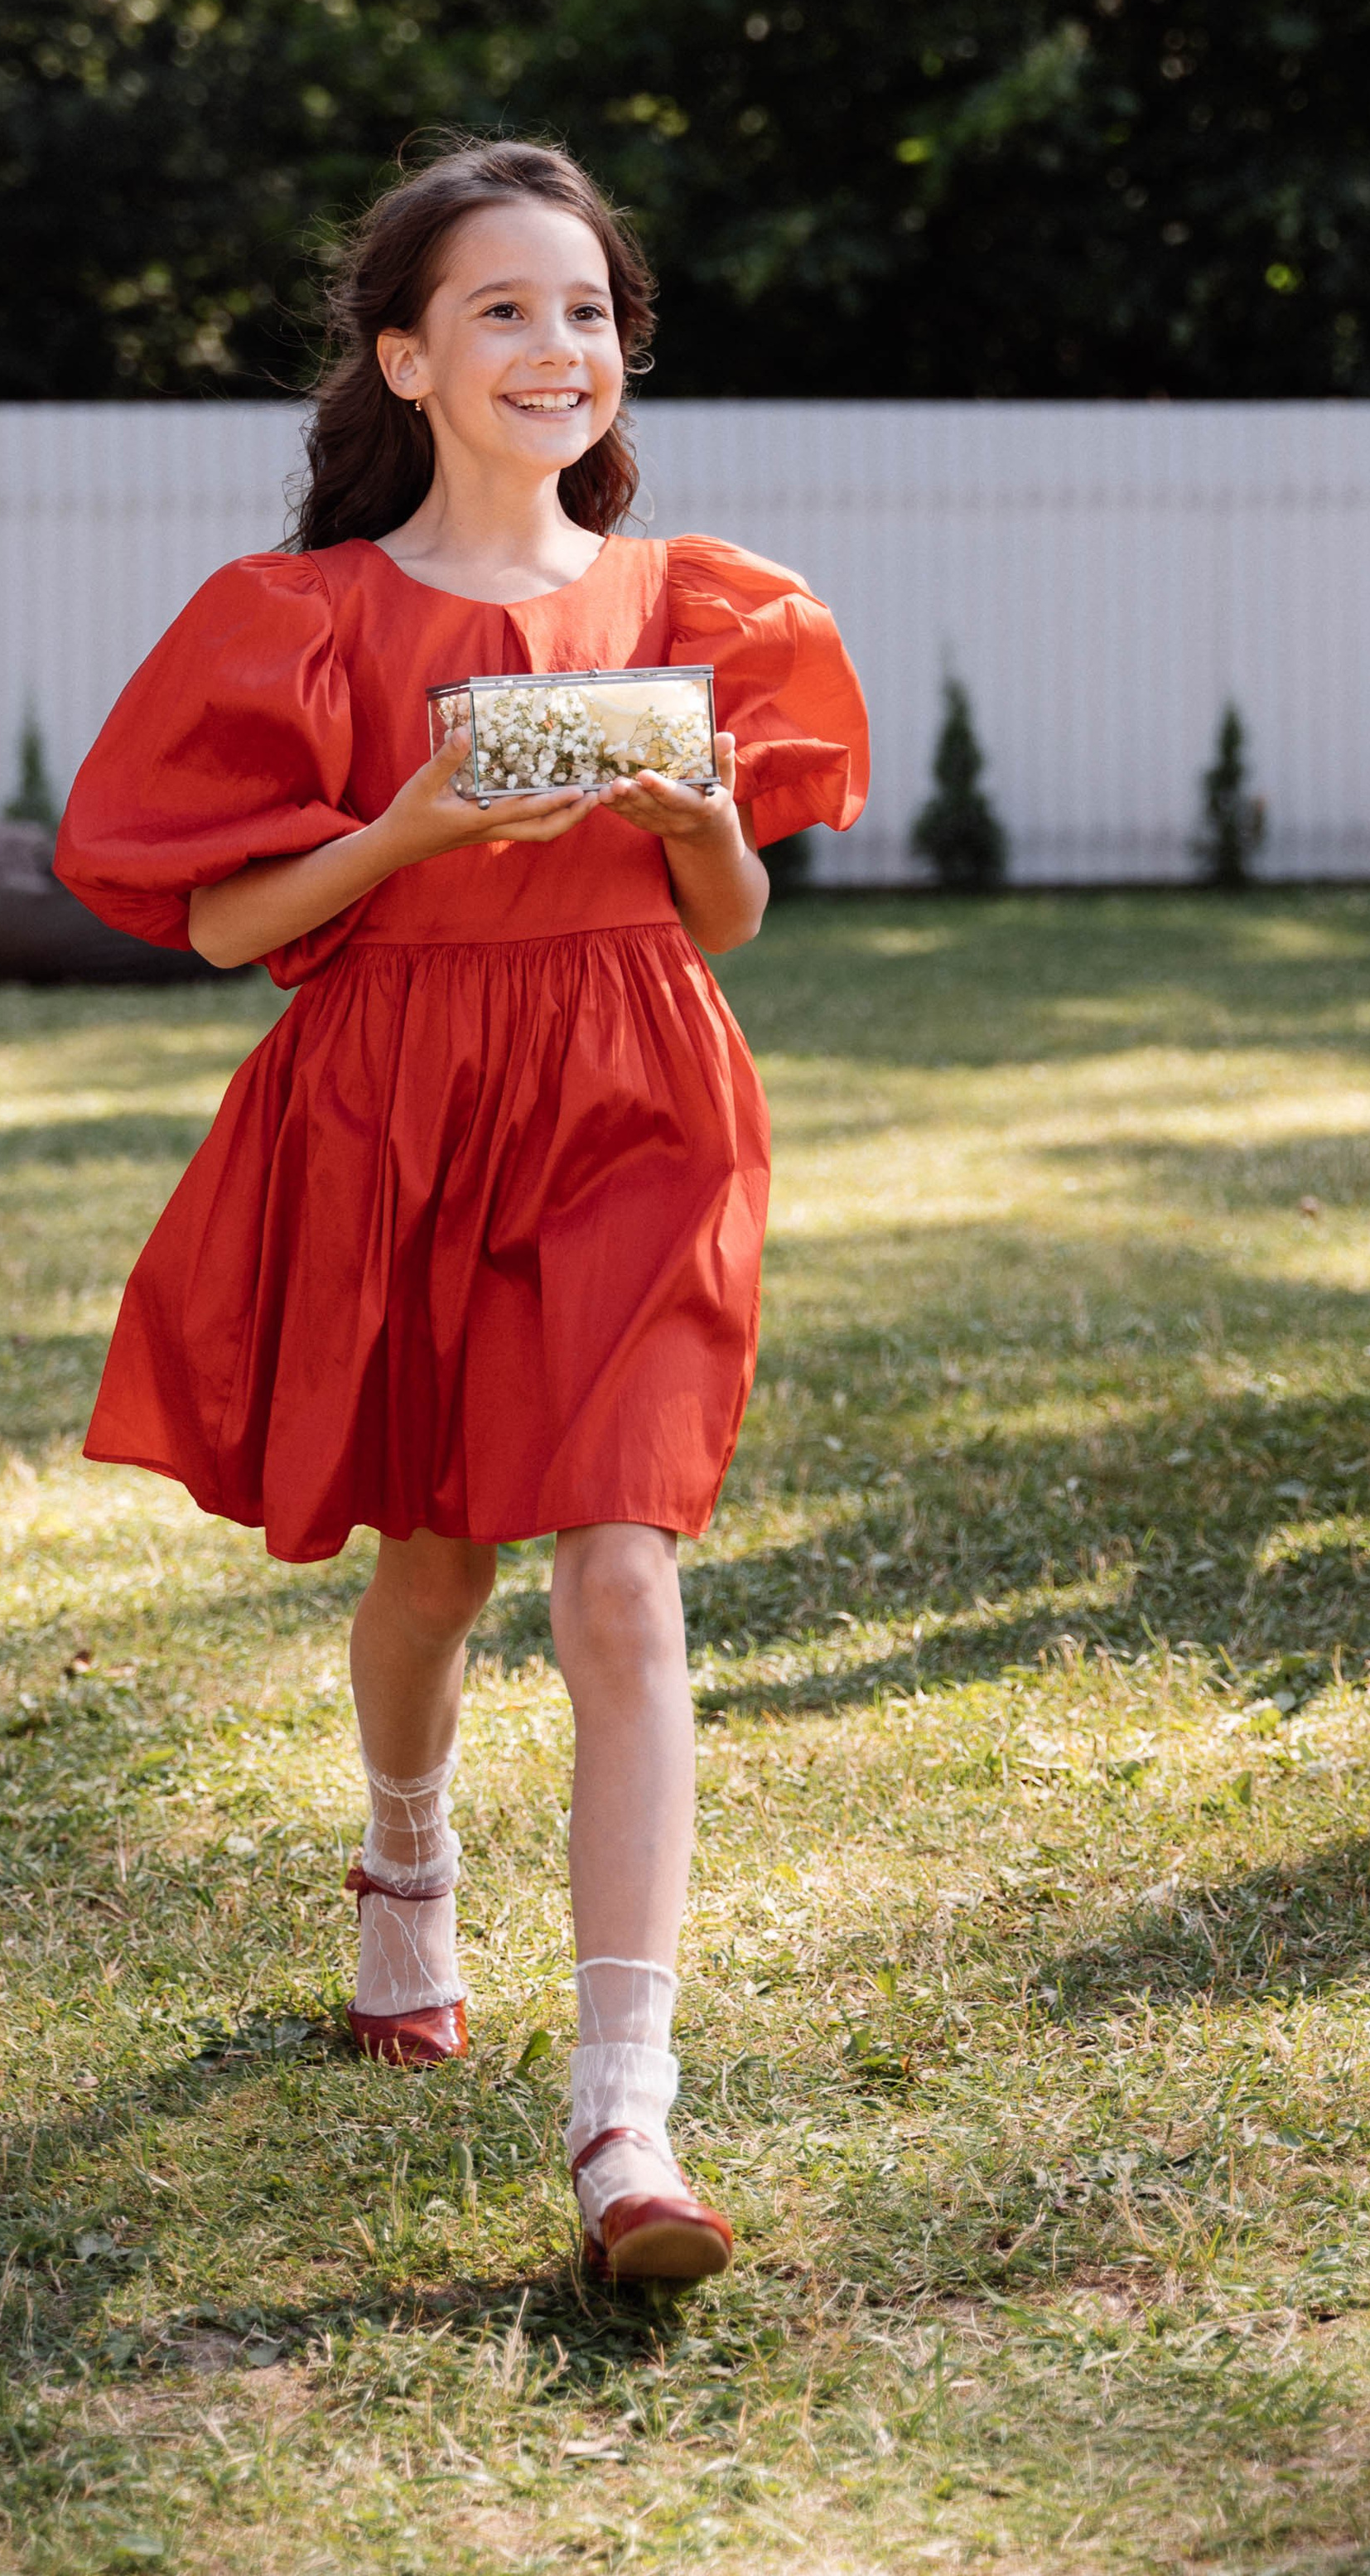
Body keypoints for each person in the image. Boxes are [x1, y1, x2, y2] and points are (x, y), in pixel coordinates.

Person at [56, 138, 868, 2281]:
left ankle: (628, 2126)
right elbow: (231, 925)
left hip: (632, 1103)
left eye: (587, 309)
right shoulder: (295, 618)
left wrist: (702, 811)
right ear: (406, 354)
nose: (556, 345)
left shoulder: (694, 609)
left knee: (619, 1573)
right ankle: (405, 1871)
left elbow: (733, 919)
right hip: (401, 1110)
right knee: (432, 1573)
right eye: (504, 308)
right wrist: (411, 817)